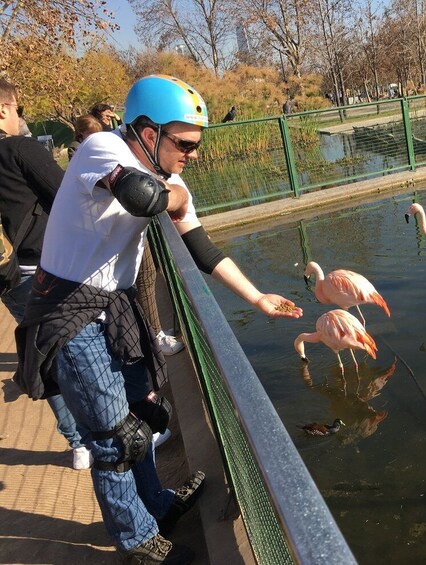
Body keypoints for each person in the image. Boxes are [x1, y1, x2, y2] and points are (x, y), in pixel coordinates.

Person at [13, 74, 302, 563]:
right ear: (148, 132)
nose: (192, 154)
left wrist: (257, 298)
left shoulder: (172, 177)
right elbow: (139, 195)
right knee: (112, 438)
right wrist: (177, 199)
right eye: (184, 143)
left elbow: (201, 247)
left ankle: (158, 506)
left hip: (114, 304)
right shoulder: (103, 147)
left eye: (196, 145)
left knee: (143, 418)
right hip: (67, 308)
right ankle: (138, 542)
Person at [0, 78, 92, 470]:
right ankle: (114, 431)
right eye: (18, 108)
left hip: (7, 276)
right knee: (81, 351)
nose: (21, 117)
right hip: (45, 269)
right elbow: (68, 198)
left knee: (45, 355)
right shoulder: (20, 150)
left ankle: (78, 443)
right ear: (5, 108)